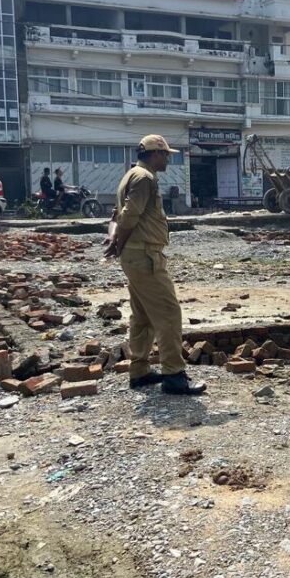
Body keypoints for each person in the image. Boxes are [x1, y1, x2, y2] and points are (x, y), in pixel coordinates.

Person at [104, 135, 205, 395]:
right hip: (144, 256)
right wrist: (119, 244)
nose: (168, 158)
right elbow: (128, 216)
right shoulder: (143, 178)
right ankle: (174, 375)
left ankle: (139, 371)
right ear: (153, 154)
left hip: (137, 256)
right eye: (165, 154)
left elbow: (117, 216)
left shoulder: (132, 175)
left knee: (143, 316)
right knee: (169, 313)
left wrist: (116, 241)